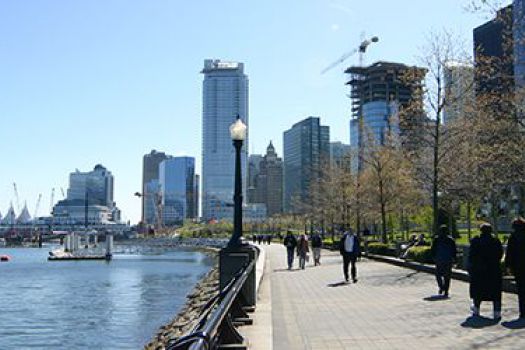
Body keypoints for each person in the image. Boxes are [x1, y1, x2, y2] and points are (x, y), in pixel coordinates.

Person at [468, 223, 503, 319]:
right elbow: (500, 254)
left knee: (478, 291)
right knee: (495, 292)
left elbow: (471, 256)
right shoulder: (496, 241)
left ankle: (476, 309)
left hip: (479, 270)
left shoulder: (476, 241)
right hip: (493, 270)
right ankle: (497, 311)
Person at [505, 217, 525, 319]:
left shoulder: (513, 237)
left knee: (521, 290)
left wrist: (508, 266)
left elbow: (509, 253)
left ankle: (523, 312)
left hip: (518, 267)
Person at [431, 225, 457, 297]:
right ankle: (446, 290)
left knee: (438, 274)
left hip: (439, 259)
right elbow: (454, 250)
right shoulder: (451, 240)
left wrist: (433, 257)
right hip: (448, 259)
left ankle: (441, 286)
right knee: (447, 276)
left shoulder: (436, 239)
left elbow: (433, 249)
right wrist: (454, 259)